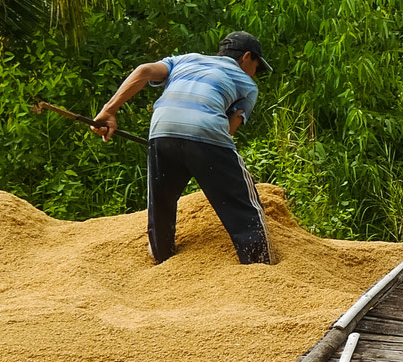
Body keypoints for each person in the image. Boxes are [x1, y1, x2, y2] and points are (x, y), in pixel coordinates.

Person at [92, 31, 272, 265]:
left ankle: (161, 256)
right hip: (205, 133)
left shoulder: (184, 60)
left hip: (161, 130)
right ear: (247, 57)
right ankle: (259, 265)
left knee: (162, 200)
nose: (255, 74)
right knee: (243, 204)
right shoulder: (247, 84)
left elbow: (144, 71)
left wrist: (109, 110)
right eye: (257, 66)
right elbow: (228, 130)